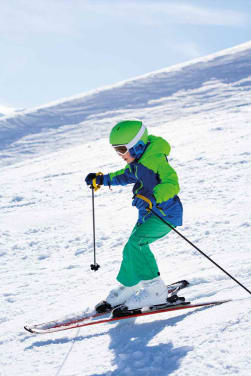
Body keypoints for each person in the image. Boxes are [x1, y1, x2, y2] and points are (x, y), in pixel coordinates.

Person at [85, 120, 183, 313]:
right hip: (148, 214)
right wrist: (102, 179)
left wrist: (153, 196)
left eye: (122, 149)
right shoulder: (137, 163)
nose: (120, 155)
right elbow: (125, 175)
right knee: (130, 248)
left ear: (137, 146)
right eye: (117, 150)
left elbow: (172, 183)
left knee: (137, 244)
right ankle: (132, 286)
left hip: (165, 214)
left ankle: (156, 291)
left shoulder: (155, 159)